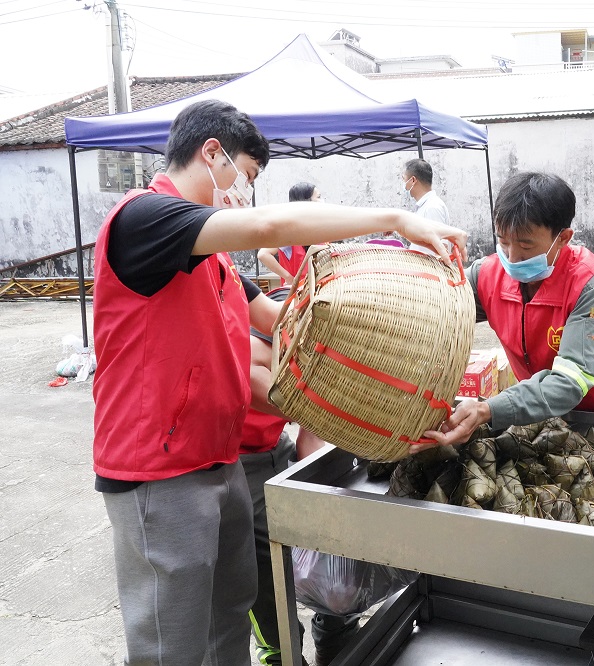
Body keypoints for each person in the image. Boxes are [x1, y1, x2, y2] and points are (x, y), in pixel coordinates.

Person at [92, 98, 467, 666]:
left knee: (229, 616)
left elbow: (285, 319)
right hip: (159, 473)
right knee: (172, 642)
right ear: (211, 153)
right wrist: (395, 219)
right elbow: (268, 226)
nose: (244, 192)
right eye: (245, 175)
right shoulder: (145, 219)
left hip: (218, 460)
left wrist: (390, 378)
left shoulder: (212, 261)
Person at [419, 171, 594, 451]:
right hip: (550, 419)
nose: (512, 257)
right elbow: (437, 309)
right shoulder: (488, 275)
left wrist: (488, 409)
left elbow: (570, 381)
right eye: (504, 241)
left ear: (563, 238)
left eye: (526, 245)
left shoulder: (591, 285)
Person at [240, 287, 366, 666]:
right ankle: (279, 651)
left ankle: (337, 635)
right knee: (265, 557)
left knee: (332, 529)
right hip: (233, 456)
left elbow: (311, 435)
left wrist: (323, 507)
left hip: (271, 445)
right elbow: (292, 399)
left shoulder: (313, 355)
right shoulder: (255, 349)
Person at [256, 182, 321, 285]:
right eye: (318, 197)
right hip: (299, 290)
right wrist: (288, 277)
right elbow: (263, 254)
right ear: (306, 201)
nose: (322, 201)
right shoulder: (290, 230)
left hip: (319, 287)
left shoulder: (319, 227)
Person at [402, 158, 450, 225]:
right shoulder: (425, 206)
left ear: (413, 180)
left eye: (404, 179)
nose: (403, 183)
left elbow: (434, 232)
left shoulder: (432, 208)